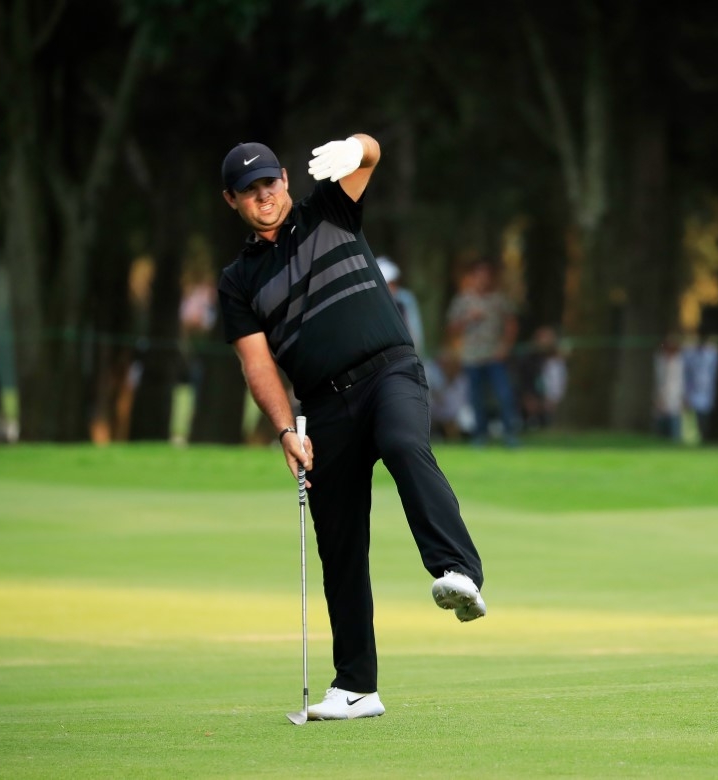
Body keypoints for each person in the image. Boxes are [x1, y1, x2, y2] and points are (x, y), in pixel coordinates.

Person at [215, 134, 486, 722]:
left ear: (285, 178)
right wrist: (286, 429)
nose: (263, 195)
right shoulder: (237, 282)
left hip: (389, 370)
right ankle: (357, 687)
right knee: (337, 540)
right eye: (248, 191)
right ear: (231, 200)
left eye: (269, 183)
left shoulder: (329, 209)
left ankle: (457, 570)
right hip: (321, 407)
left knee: (403, 443)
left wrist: (356, 146)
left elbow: (372, 154)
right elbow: (257, 363)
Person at [445, 259, 521, 447]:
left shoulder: (499, 299)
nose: (483, 280)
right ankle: (480, 436)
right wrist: (468, 319)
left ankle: (510, 434)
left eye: (487, 276)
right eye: (479, 276)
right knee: (476, 398)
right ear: (472, 278)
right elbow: (452, 328)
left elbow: (511, 324)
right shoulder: (463, 300)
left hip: (495, 355)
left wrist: (505, 347)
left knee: (504, 395)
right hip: (471, 356)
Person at [516, 325, 567, 431]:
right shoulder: (529, 360)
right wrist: (530, 396)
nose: (546, 341)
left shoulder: (561, 360)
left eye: (549, 338)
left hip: (558, 396)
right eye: (543, 338)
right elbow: (526, 381)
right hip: (537, 395)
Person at [376, 256, 425, 355]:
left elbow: (414, 331)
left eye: (393, 283)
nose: (392, 287)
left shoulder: (405, 299)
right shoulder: (374, 304)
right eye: (389, 284)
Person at [681, 330, 718, 442]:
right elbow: (686, 375)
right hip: (692, 394)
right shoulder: (689, 354)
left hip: (707, 394)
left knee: (705, 420)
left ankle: (705, 438)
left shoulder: (712, 354)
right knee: (692, 422)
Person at [652, 333, 684, 442]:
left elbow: (681, 381)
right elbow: (659, 380)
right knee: (660, 422)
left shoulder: (679, 361)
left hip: (675, 396)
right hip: (661, 395)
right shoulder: (659, 360)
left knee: (674, 421)